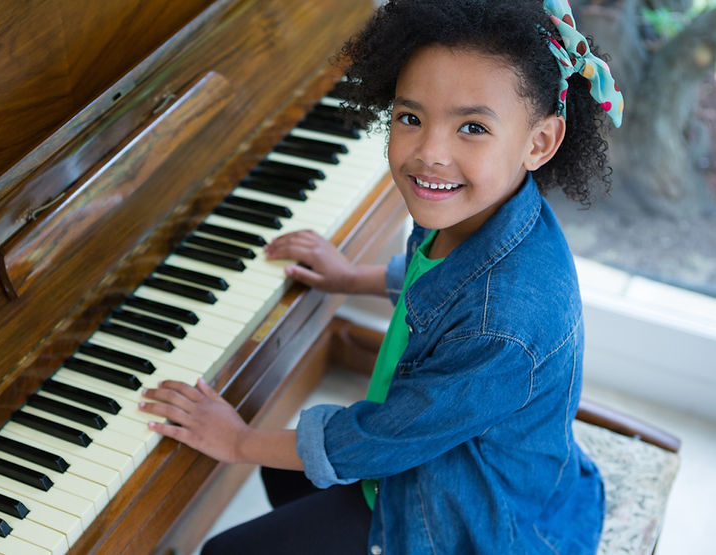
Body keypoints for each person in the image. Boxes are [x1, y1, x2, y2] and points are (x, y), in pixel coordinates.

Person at [139, 0, 624, 552]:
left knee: (230, 545)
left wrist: (238, 440)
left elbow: (377, 439)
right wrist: (352, 277)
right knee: (287, 469)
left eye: (472, 127)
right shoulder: (485, 214)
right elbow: (437, 280)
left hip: (467, 519)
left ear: (539, 142)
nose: (429, 154)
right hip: (445, 456)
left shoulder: (503, 322)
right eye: (410, 118)